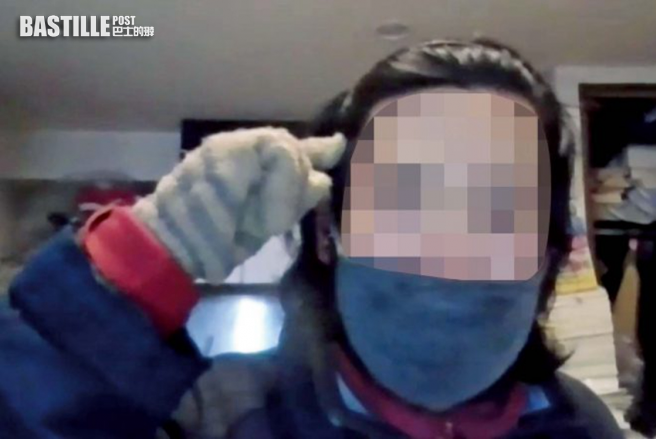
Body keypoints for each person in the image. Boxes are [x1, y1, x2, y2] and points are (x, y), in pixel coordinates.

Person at [0, 38, 624, 439]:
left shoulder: (583, 427)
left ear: (549, 253)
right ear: (328, 233)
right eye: (406, 199)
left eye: (495, 207)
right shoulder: (211, 416)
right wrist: (119, 280)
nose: (448, 249)